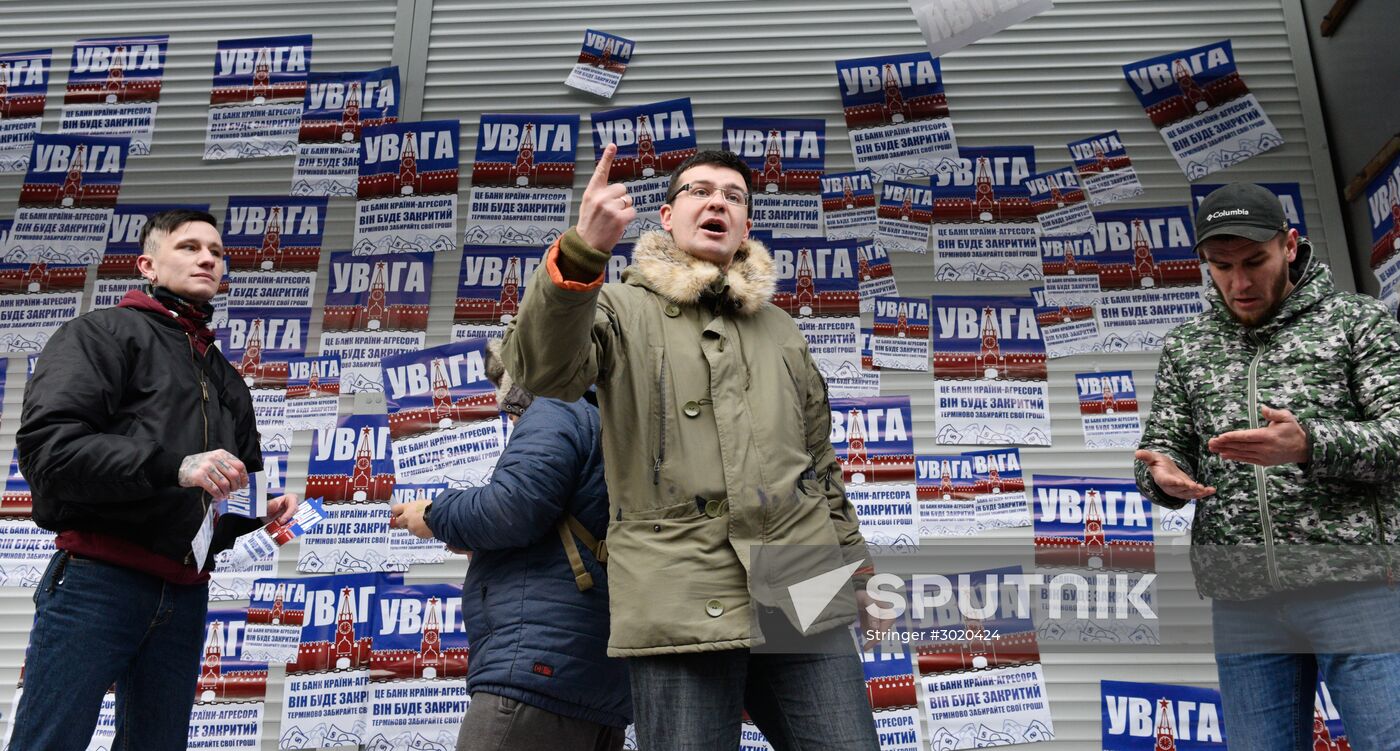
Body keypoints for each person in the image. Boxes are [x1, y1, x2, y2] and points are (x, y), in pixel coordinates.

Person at [500, 145, 883, 750]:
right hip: (677, 578)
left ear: (746, 227)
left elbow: (819, 465)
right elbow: (546, 372)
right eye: (700, 191)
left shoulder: (781, 327)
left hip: (800, 577)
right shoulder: (617, 307)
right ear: (667, 217)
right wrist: (581, 252)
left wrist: (858, 570)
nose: (717, 203)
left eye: (733, 197)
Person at [11, 208, 298, 751]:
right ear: (147, 264)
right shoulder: (99, 334)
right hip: (98, 582)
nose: (208, 258)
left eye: (216, 251)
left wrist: (258, 526)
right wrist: (176, 464)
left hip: (184, 597)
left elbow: (199, 512)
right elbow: (49, 451)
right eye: (189, 247)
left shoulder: (227, 378)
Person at [1134, 183, 1400, 750]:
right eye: (1221, 266)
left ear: (1290, 245)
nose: (1240, 282)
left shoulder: (1357, 322)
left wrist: (1310, 444)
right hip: (1242, 597)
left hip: (1356, 584)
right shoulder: (1188, 345)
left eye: (1255, 261)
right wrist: (1162, 478)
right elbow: (1162, 444)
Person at [391, 342, 630, 750]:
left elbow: (513, 508)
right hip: (592, 680)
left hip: (536, 672)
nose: (511, 416)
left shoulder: (557, 407)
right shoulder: (610, 418)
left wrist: (432, 514)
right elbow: (559, 522)